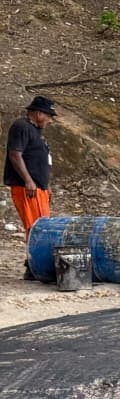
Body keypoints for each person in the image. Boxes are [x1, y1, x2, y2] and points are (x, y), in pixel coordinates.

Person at [5, 96, 56, 280]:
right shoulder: (21, 126)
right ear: (39, 113)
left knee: (43, 226)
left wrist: (46, 185)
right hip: (27, 187)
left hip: (38, 187)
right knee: (34, 227)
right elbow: (15, 154)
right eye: (49, 116)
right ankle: (33, 266)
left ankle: (38, 264)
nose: (50, 120)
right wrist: (28, 180)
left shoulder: (36, 132)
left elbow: (40, 161)